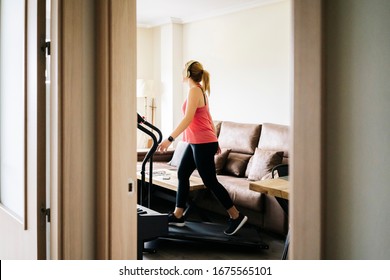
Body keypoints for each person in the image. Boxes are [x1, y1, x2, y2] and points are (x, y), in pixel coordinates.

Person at [157, 60, 248, 236]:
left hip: (202, 142)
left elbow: (188, 119)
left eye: (183, 70)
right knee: (182, 173)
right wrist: (216, 139)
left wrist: (169, 139)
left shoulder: (194, 91)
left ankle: (236, 216)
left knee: (210, 181)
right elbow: (208, 116)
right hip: (198, 142)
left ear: (188, 74)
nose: (181, 73)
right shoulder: (199, 90)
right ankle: (178, 215)